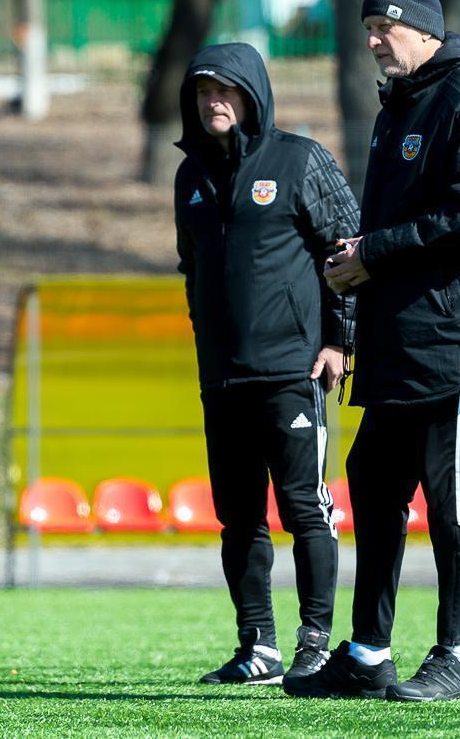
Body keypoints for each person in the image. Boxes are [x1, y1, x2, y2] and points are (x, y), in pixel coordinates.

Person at [283, 0, 460, 703]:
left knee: (451, 497)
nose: (375, 41)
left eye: (387, 27)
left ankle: (458, 658)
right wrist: (359, 265)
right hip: (402, 341)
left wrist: (374, 252)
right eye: (369, 29)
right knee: (373, 483)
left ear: (427, 28)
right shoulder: (400, 104)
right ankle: (368, 652)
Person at [173, 42, 360, 686]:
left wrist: (339, 341)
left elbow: (348, 251)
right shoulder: (190, 176)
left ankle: (315, 643)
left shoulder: (300, 160)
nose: (213, 102)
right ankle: (258, 646)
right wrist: (206, 344)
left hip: (293, 372)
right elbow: (192, 269)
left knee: (305, 507)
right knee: (238, 517)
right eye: (203, 92)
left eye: (224, 90)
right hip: (223, 377)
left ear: (251, 95)